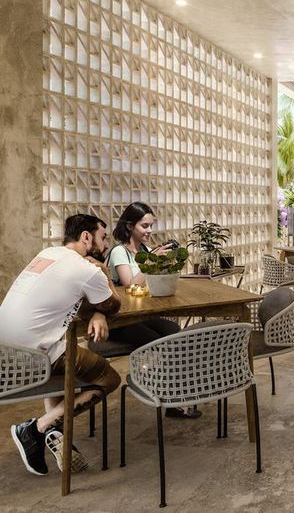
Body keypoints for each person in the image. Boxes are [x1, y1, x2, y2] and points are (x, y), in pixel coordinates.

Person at [0, 214, 122, 476]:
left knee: (59, 350)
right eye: (103, 238)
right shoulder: (87, 270)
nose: (105, 246)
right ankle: (36, 429)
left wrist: (97, 312)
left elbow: (81, 300)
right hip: (33, 359)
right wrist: (104, 273)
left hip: (5, 355)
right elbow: (113, 304)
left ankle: (55, 429)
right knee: (109, 378)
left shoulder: (47, 254)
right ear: (86, 237)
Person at [106, 202, 198, 419]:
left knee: (173, 332)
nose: (149, 231)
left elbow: (152, 279)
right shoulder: (119, 252)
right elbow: (130, 285)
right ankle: (165, 394)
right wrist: (151, 259)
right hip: (120, 319)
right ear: (130, 226)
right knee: (160, 342)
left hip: (140, 314)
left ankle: (172, 395)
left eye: (151, 226)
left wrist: (164, 260)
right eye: (144, 226)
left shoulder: (144, 250)